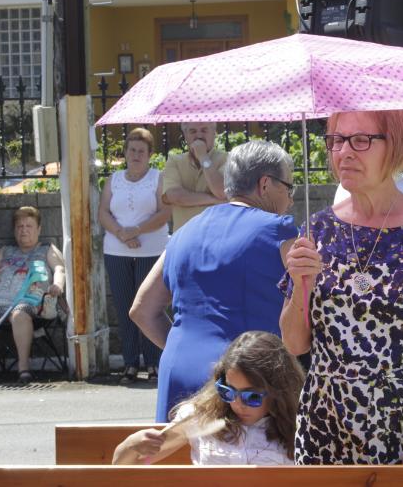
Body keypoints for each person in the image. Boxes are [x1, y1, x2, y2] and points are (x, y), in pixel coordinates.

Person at [280, 109, 403, 465]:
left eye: (361, 140)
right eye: (337, 140)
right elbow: (295, 343)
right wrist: (299, 283)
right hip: (327, 433)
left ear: (397, 147)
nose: (345, 152)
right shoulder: (318, 231)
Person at [131, 140, 298, 422]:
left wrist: (182, 348)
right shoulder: (278, 231)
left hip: (180, 370)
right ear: (265, 184)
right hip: (246, 384)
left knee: (181, 464)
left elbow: (142, 310)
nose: (291, 198)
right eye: (288, 186)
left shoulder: (185, 232)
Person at [113, 331, 304, 465]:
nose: (237, 404)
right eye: (227, 391)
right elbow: (123, 470)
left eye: (251, 396)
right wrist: (130, 445)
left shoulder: (302, 427)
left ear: (279, 392)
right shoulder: (200, 417)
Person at [98, 128, 170, 384]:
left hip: (151, 250)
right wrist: (122, 233)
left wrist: (137, 230)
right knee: (124, 305)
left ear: (150, 154)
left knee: (149, 306)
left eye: (141, 151)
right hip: (117, 250)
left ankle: (153, 362)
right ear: (125, 152)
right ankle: (130, 363)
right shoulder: (114, 180)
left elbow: (165, 213)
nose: (136, 155)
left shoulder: (157, 178)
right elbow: (103, 213)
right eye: (132, 150)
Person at [0, 206, 65, 383]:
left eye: (28, 226)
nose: (23, 230)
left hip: (31, 301)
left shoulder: (47, 249)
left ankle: (24, 368)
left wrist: (57, 284)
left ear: (39, 229)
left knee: (19, 314)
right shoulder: (6, 250)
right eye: (19, 226)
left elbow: (59, 269)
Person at [162, 122, 228, 232]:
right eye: (193, 131)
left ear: (214, 133)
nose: (199, 136)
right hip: (183, 239)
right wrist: (214, 199)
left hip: (216, 237)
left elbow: (221, 191)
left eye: (204, 130)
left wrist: (203, 157)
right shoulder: (174, 161)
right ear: (185, 135)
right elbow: (175, 196)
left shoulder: (228, 159)